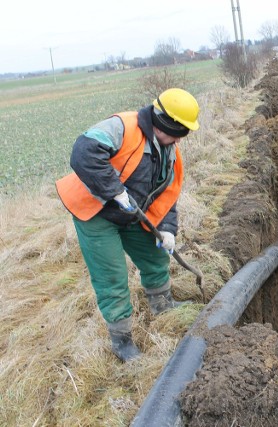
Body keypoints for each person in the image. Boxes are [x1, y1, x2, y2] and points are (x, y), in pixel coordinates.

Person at [56, 88, 200, 362]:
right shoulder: (123, 127)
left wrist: (168, 229)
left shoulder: (171, 153)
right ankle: (121, 340)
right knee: (113, 276)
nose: (179, 140)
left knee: (155, 255)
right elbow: (83, 153)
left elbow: (168, 195)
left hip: (131, 213)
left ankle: (162, 304)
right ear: (166, 122)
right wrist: (115, 191)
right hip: (96, 212)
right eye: (178, 132)